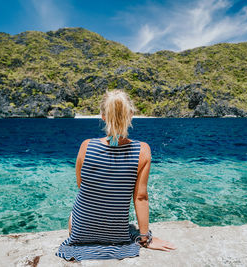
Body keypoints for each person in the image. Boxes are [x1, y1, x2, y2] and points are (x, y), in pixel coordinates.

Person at [56, 89, 176, 262]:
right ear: (131, 115)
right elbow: (140, 197)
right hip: (116, 236)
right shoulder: (142, 151)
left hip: (79, 231)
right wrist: (145, 238)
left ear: (103, 116)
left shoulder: (86, 146)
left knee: (73, 214)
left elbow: (82, 186)